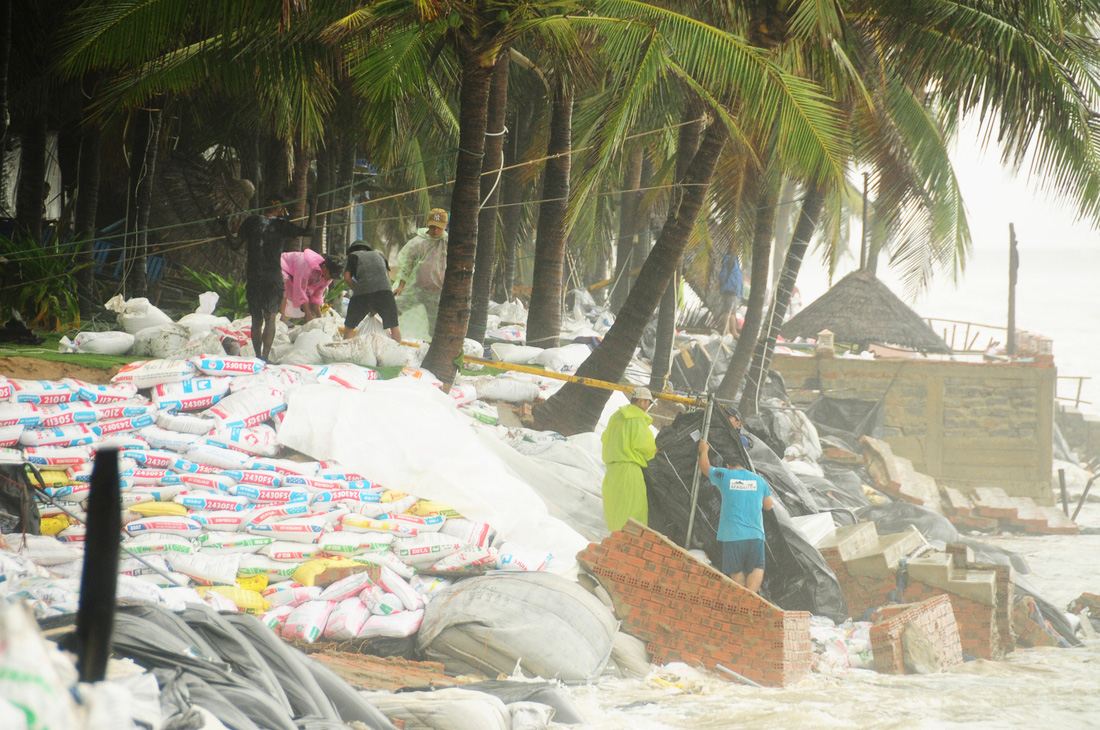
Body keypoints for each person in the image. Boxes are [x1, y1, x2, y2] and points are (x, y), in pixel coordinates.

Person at [227, 200, 313, 361]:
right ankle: (265, 357)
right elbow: (309, 231)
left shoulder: (251, 222)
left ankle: (258, 356)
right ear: (280, 208)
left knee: (256, 320)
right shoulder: (281, 224)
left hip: (254, 276)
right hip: (273, 277)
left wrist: (224, 226)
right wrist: (313, 206)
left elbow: (234, 244)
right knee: (270, 318)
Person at [697, 440, 773, 593]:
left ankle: (742, 599)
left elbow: (705, 467)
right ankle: (750, 597)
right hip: (755, 534)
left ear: (727, 466)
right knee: (757, 567)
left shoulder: (725, 475)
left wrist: (703, 450)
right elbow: (768, 506)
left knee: (736, 569)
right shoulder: (759, 480)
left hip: (732, 534)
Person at [600, 386, 658, 532]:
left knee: (616, 509)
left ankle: (615, 540)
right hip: (629, 471)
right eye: (647, 402)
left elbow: (605, 438)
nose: (648, 406)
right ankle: (628, 542)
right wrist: (655, 452)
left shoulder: (616, 416)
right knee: (633, 510)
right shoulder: (637, 419)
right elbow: (646, 446)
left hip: (613, 471)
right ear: (641, 401)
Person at [394, 208, 448, 340]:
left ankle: (431, 348)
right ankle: (387, 332)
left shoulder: (448, 243)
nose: (435, 231)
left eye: (438, 228)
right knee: (396, 306)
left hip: (437, 292)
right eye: (432, 227)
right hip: (416, 288)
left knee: (435, 325)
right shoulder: (418, 242)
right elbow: (406, 264)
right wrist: (401, 286)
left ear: (445, 226)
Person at [343, 241, 402, 342]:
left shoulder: (352, 256)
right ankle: (399, 353)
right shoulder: (380, 255)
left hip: (363, 292)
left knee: (349, 327)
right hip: (385, 291)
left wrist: (358, 290)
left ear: (352, 251)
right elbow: (387, 275)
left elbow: (347, 278)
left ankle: (345, 353)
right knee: (394, 326)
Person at [280, 249, 341, 323]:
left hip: (294, 275)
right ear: (324, 268)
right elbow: (299, 290)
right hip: (282, 266)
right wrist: (308, 314)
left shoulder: (327, 279)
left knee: (308, 300)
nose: (330, 278)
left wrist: (320, 319)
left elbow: (317, 296)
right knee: (284, 283)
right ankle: (282, 317)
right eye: (331, 275)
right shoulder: (307, 267)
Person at [717, 251, 742, 337]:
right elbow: (724, 274)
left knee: (732, 312)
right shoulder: (730, 259)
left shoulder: (734, 259)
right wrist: (723, 283)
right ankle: (728, 331)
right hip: (729, 288)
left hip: (733, 289)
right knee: (729, 311)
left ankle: (732, 331)